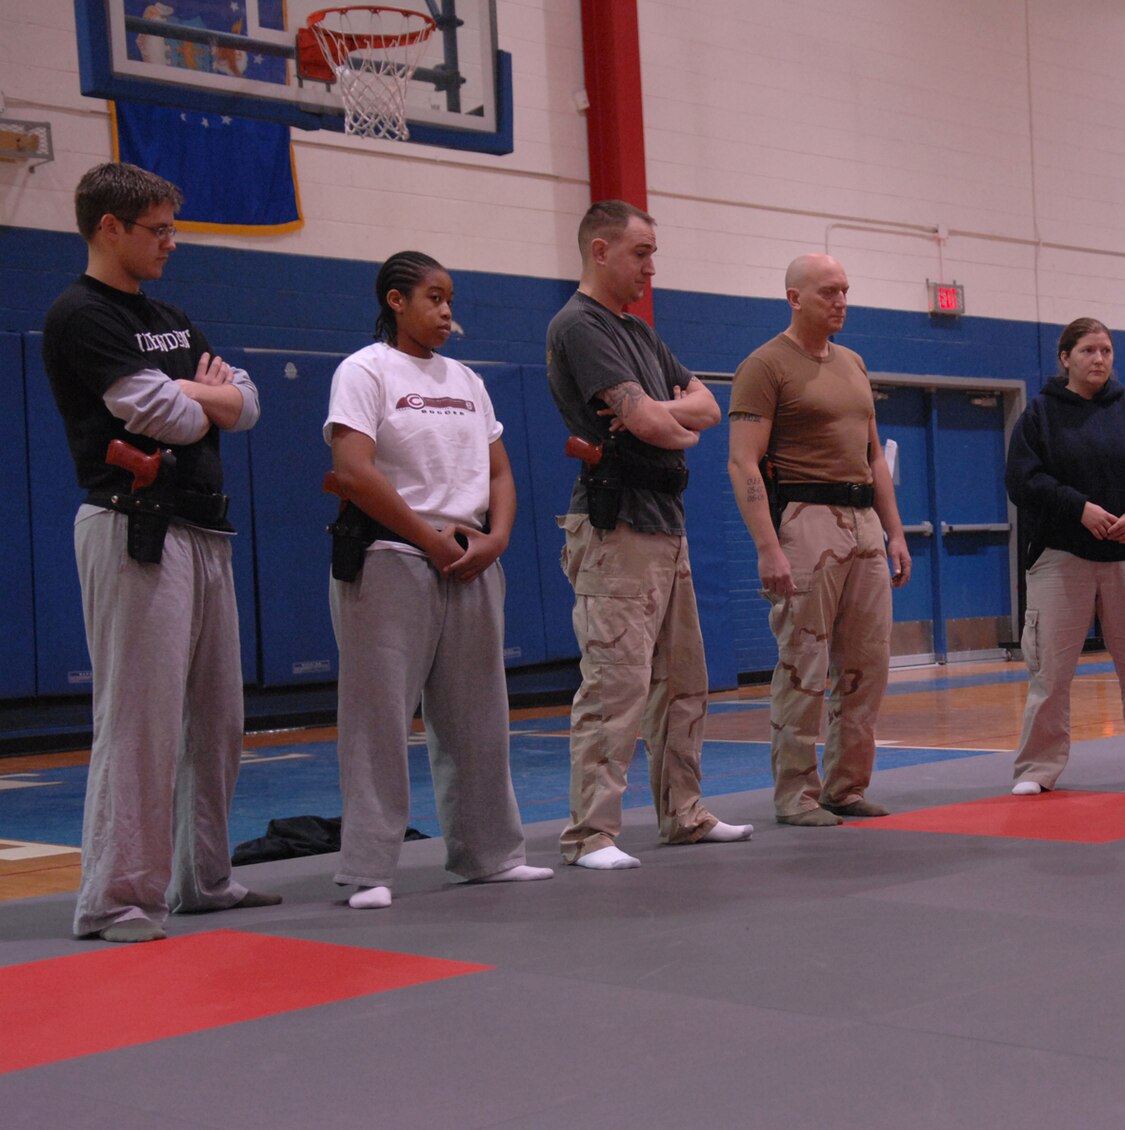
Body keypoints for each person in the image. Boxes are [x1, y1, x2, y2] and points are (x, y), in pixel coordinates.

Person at [41, 162, 279, 942]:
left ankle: (202, 878)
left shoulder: (170, 316)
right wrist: (203, 396)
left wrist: (204, 397)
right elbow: (162, 415)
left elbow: (246, 401)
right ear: (109, 228)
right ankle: (115, 898)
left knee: (219, 718)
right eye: (158, 230)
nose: (172, 242)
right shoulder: (81, 315)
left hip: (204, 528)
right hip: (133, 525)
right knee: (139, 719)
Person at [323, 251, 554, 909]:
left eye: (451, 298)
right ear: (396, 301)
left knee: (479, 717)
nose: (447, 310)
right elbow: (353, 469)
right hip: (390, 558)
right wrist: (427, 537)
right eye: (433, 296)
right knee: (378, 718)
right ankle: (369, 869)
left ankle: (489, 854)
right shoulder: (364, 369)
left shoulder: (467, 381)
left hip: (472, 560)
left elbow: (501, 473)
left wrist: (498, 537)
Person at [546, 200, 750, 869]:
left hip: (667, 523)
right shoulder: (579, 326)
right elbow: (664, 426)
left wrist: (656, 413)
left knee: (684, 681)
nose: (651, 267)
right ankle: (591, 834)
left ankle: (684, 812)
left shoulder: (639, 333)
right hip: (617, 525)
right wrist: (664, 416)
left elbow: (706, 406)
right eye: (641, 253)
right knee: (615, 685)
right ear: (600, 251)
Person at [727, 254, 911, 826]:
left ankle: (846, 788)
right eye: (829, 291)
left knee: (867, 664)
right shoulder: (765, 365)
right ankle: (795, 795)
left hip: (864, 526)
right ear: (794, 297)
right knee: (803, 664)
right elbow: (742, 462)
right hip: (806, 519)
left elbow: (873, 455)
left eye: (846, 291)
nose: (841, 301)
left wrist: (896, 532)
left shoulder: (854, 362)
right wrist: (768, 547)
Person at [1005, 318, 1125, 795]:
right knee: (1050, 673)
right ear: (1065, 358)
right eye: (1088, 350)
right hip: (1061, 558)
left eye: (1106, 350)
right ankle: (1037, 771)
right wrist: (1079, 509)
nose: (1099, 359)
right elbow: (1024, 481)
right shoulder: (1039, 417)